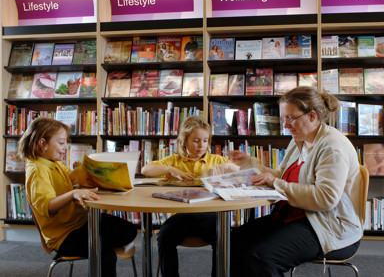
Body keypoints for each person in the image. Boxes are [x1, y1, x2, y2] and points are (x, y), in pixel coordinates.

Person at [228, 86, 363, 277]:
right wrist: (251, 164)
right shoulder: (299, 139)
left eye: (290, 118)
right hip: (296, 216)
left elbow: (325, 199)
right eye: (284, 118)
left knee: (261, 258)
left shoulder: (332, 147)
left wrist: (275, 182)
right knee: (233, 242)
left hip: (329, 225)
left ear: (312, 116)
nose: (285, 125)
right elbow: (281, 176)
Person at [18, 118, 137, 277]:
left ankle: (97, 247)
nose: (65, 147)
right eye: (61, 143)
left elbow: (73, 178)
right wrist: (73, 194)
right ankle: (98, 249)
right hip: (64, 237)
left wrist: (97, 171)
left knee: (128, 230)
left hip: (80, 223)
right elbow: (47, 206)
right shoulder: (38, 170)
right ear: (42, 143)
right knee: (106, 254)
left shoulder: (53, 162)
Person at [141, 115, 239, 277]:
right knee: (164, 237)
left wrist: (227, 167)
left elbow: (239, 171)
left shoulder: (216, 160)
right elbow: (146, 170)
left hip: (210, 215)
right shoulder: (174, 161)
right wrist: (171, 170)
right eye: (196, 141)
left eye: (205, 140)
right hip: (182, 216)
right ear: (184, 141)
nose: (201, 145)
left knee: (224, 238)